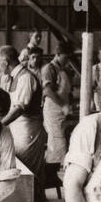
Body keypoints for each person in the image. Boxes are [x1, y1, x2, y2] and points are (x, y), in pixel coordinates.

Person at [4, 45, 48, 202]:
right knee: (20, 163)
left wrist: (1, 124)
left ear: (6, 62)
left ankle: (35, 201)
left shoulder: (25, 78)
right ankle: (26, 200)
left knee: (29, 166)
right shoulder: (13, 77)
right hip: (17, 127)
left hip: (28, 128)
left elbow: (20, 107)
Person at [41, 40, 78, 190]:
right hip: (53, 110)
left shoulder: (63, 69)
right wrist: (62, 105)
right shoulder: (49, 68)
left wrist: (70, 103)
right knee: (56, 144)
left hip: (61, 110)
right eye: (65, 57)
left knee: (61, 144)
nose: (67, 60)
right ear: (58, 54)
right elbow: (48, 91)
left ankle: (52, 176)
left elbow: (65, 91)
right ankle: (49, 178)